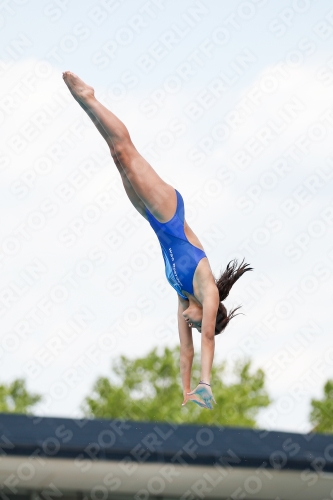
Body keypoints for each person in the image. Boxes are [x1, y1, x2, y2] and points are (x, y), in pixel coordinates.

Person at [62, 71, 252, 410]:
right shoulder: (206, 291)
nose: (192, 326)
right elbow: (206, 339)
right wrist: (205, 383)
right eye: (199, 323)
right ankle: (89, 97)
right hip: (170, 212)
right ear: (212, 314)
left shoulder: (182, 298)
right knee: (127, 150)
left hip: (152, 220)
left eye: (192, 324)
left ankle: (88, 105)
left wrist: (186, 391)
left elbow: (186, 350)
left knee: (117, 157)